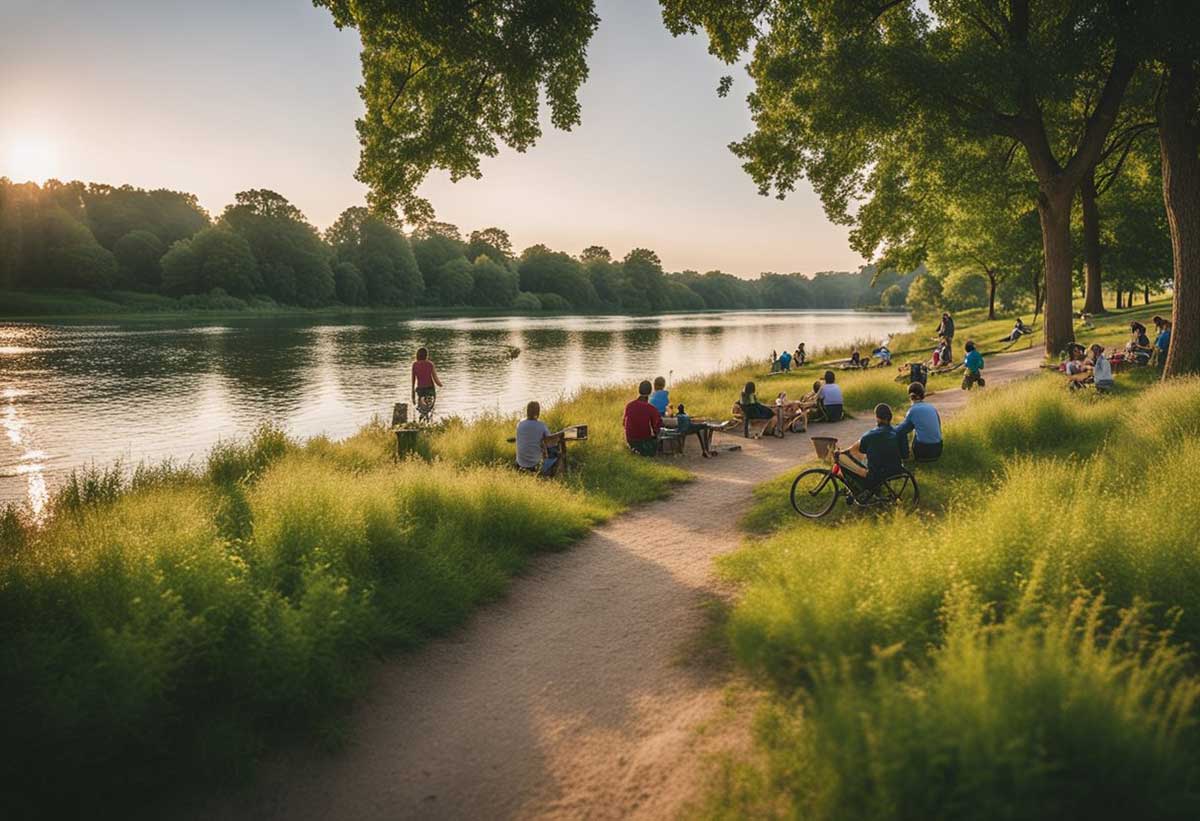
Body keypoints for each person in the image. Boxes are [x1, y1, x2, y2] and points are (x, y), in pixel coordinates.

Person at [834, 403, 904, 497]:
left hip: (876, 475)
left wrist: (842, 452)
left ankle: (856, 490)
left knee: (839, 457)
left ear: (877, 418)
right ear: (890, 417)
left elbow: (860, 450)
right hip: (896, 469)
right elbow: (905, 454)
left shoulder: (870, 435)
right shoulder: (899, 432)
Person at [894, 382, 943, 461]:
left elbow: (901, 430)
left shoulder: (913, 410)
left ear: (910, 396)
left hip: (923, 452)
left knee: (900, 432)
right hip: (938, 450)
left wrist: (888, 428)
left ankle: (905, 457)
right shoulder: (931, 407)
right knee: (919, 429)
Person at [624, 380, 662, 457]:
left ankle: (634, 450)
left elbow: (624, 423)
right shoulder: (651, 408)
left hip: (630, 440)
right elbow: (656, 427)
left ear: (639, 390)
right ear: (650, 392)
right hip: (644, 441)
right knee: (660, 437)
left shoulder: (629, 405)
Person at [514, 401, 555, 472]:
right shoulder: (541, 425)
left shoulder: (520, 424)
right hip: (535, 465)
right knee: (554, 452)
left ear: (527, 411)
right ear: (538, 412)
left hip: (520, 463)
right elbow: (550, 441)